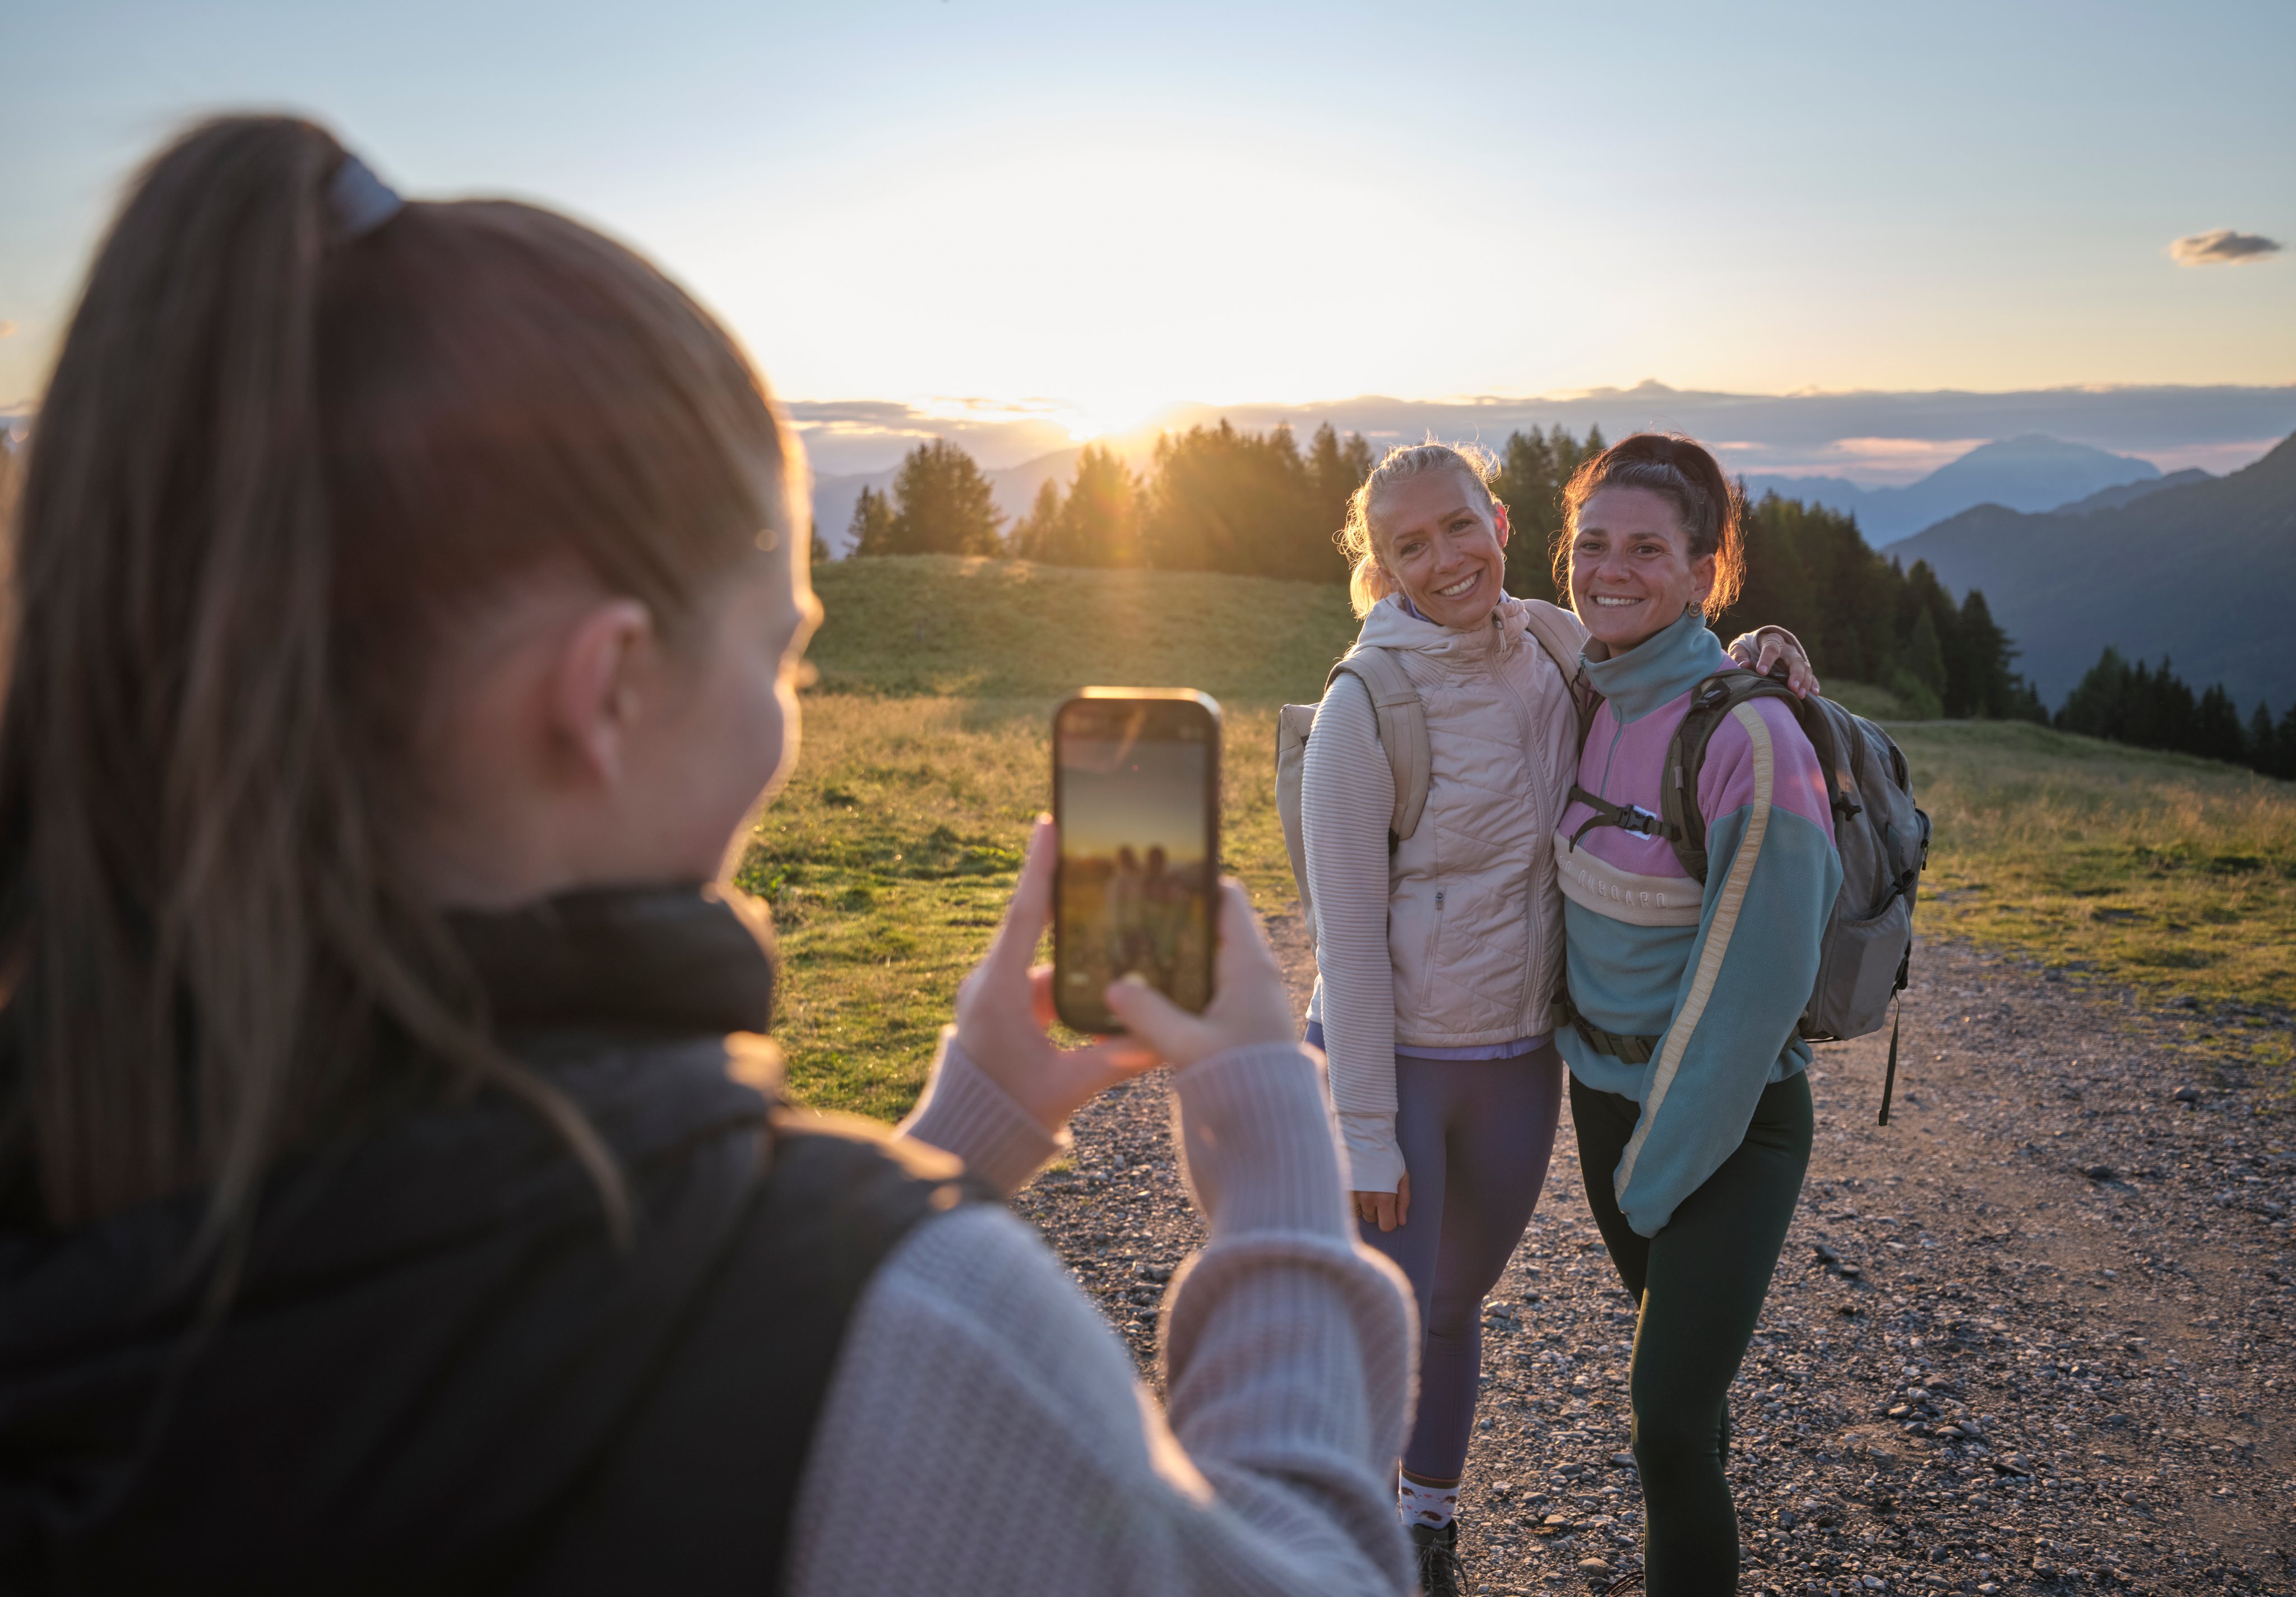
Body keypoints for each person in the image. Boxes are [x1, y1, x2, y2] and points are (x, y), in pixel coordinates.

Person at [0, 115, 1419, 1596]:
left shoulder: (89, 1198)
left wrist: (965, 1133)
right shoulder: (913, 1335)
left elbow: (516, 1351)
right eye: (782, 661)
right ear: (606, 690)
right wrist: (1273, 1178)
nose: (785, 721)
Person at [1301, 443, 1816, 1597]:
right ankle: (1344, 1541)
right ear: (1379, 570)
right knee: (1382, 1324)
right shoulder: (1361, 706)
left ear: (1496, 520)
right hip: (1399, 1065)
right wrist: (1364, 1124)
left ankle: (1426, 1526)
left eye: (1456, 528)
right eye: (1407, 547)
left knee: (1451, 1308)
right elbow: (1341, 931)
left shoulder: (1547, 643)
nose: (1442, 561)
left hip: (1521, 1059)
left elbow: (1664, 674)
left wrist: (1758, 651)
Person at [1551, 433, 1842, 1597]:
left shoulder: (1751, 738)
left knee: (1663, 1420)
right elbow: (1443, 604)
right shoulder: (1576, 685)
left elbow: (1752, 994)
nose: (1608, 571)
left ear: (1702, 569)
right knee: (1689, 1404)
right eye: (1589, 544)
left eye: (1644, 550)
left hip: (1728, 1128)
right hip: (1601, 1103)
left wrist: (1655, 1168)